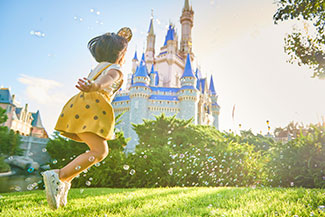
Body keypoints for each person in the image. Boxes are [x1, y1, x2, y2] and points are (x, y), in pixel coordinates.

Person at [42, 27, 132, 210]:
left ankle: (65, 180)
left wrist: (93, 84)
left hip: (80, 106)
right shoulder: (116, 69)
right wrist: (97, 85)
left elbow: (103, 77)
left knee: (96, 150)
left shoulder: (98, 66)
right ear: (121, 55)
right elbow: (109, 78)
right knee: (99, 152)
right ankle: (58, 176)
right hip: (93, 107)